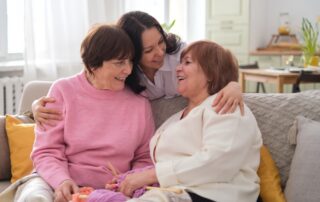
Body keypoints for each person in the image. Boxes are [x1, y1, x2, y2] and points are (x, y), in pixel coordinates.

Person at [11, 24, 154, 202]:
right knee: (34, 198)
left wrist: (129, 183)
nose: (128, 70)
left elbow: (145, 157)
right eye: (119, 63)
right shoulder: (63, 91)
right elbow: (46, 151)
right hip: (57, 181)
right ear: (93, 64)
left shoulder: (139, 102)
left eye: (130, 61)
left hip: (114, 191)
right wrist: (62, 181)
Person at [107, 41, 262, 202]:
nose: (178, 68)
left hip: (220, 194)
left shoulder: (226, 105)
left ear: (211, 73)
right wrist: (131, 178)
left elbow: (218, 163)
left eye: (187, 62)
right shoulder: (176, 118)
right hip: (176, 193)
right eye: (180, 62)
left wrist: (148, 176)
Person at [31, 11, 244, 127]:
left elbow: (220, 63)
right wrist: (33, 107)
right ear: (131, 52)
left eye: (160, 42)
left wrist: (234, 85)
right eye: (149, 50)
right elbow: (85, 86)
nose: (160, 53)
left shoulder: (180, 55)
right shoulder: (123, 74)